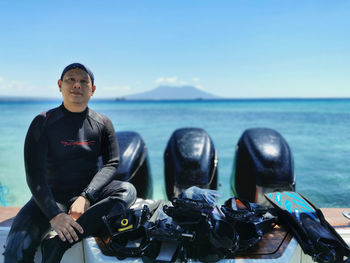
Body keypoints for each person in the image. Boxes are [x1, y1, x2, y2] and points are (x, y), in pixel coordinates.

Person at [3, 63, 137, 263]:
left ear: (93, 90)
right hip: (50, 197)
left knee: (127, 190)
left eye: (84, 81)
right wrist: (55, 215)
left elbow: (111, 163)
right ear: (60, 85)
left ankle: (58, 245)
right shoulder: (43, 122)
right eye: (71, 80)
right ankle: (69, 227)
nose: (77, 85)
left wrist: (87, 196)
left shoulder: (103, 123)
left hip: (89, 195)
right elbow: (34, 174)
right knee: (16, 251)